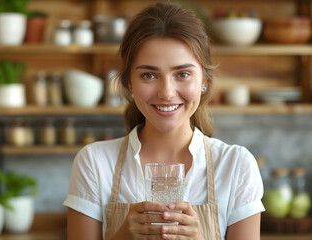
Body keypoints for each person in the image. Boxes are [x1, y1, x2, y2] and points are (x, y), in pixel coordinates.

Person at [64, 2, 264, 240]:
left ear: (205, 81)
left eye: (183, 74)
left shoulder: (236, 166)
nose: (167, 92)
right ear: (129, 82)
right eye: (149, 75)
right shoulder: (94, 163)